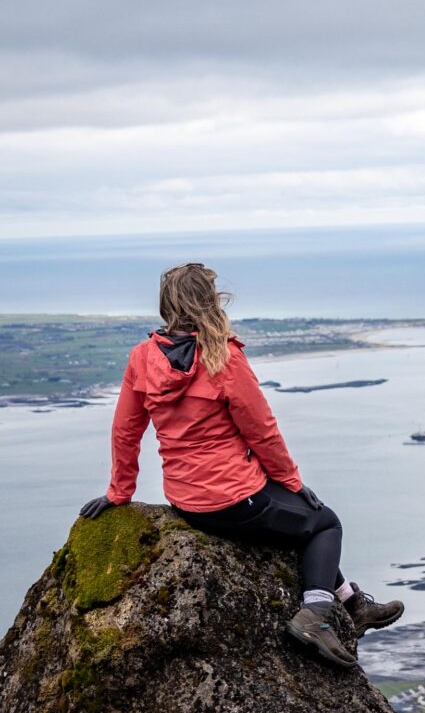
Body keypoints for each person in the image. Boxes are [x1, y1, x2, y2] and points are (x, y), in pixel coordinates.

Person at [80, 262, 403, 668]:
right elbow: (262, 431)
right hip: (232, 500)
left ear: (167, 306)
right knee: (323, 523)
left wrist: (119, 493)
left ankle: (353, 605)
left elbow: (125, 431)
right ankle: (316, 616)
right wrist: (291, 480)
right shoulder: (223, 357)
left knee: (294, 518)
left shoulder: (142, 358)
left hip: (187, 502)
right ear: (210, 303)